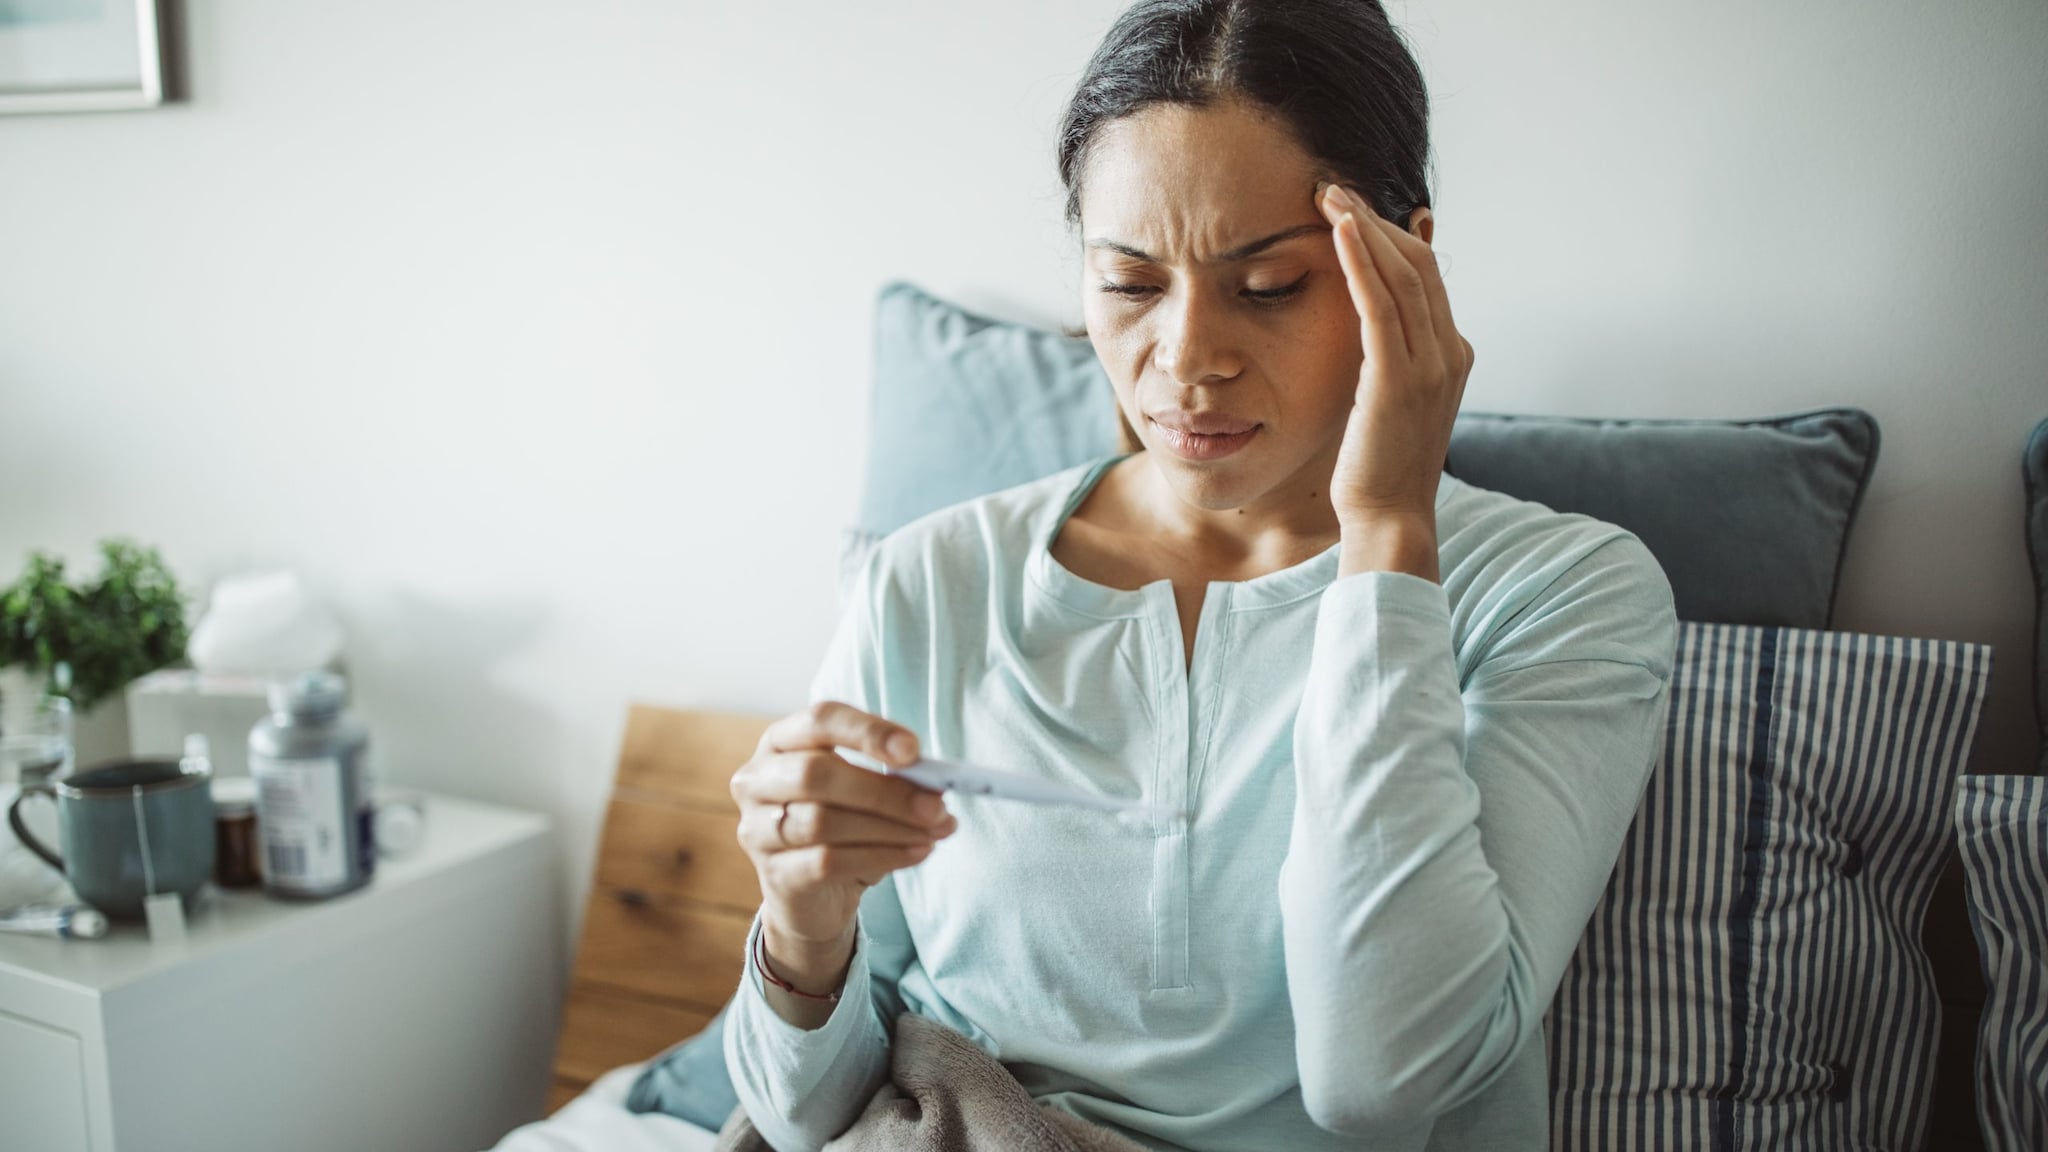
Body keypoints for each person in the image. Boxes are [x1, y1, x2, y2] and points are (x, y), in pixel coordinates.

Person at [723, 1, 1679, 1149]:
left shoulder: (1561, 592)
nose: (1185, 361)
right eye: (1128, 284)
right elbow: (793, 1119)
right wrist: (802, 926)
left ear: (1405, 264)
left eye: (1267, 284)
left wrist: (1384, 536)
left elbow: (1383, 1078)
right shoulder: (927, 582)